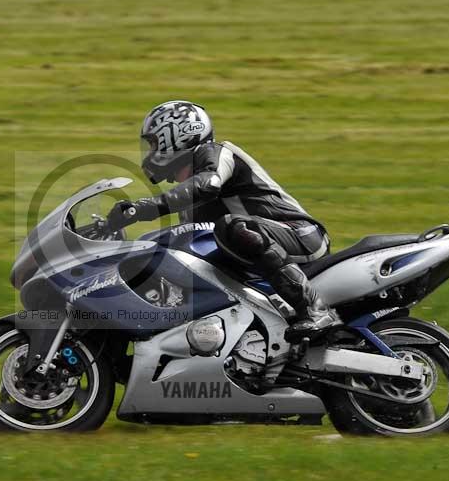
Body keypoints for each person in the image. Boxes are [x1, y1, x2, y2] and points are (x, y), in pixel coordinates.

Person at [107, 100, 339, 341]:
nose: (149, 151)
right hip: (264, 251)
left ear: (178, 135)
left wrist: (142, 209)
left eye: (154, 143)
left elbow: (207, 184)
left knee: (233, 227)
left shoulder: (216, 153)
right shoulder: (188, 202)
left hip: (300, 235)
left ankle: (316, 309)